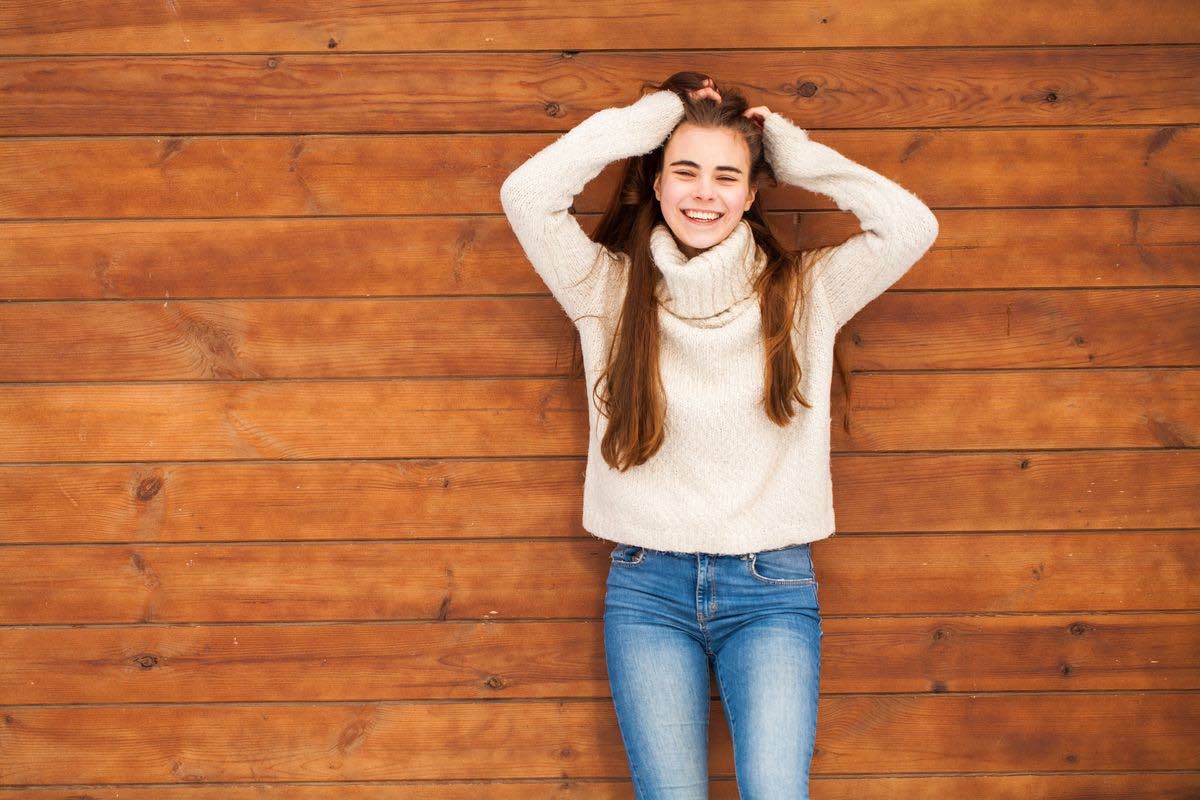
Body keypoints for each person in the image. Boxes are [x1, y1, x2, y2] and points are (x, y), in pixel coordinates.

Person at [500, 72, 938, 799]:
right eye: (686, 171)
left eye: (727, 175)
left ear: (752, 191)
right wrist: (649, 119)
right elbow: (527, 195)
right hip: (647, 590)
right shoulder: (604, 290)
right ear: (658, 180)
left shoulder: (806, 292)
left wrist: (794, 154)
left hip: (771, 589)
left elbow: (911, 226)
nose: (705, 192)